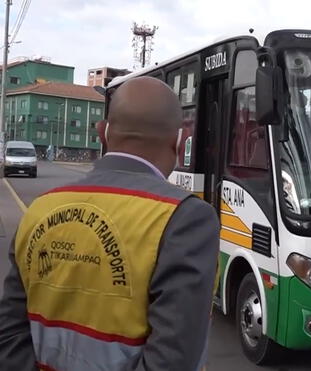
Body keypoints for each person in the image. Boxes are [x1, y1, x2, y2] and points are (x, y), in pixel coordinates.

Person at [0, 76, 220, 371]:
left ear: (102, 134)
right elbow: (172, 360)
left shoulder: (41, 208)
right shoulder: (185, 218)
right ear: (180, 142)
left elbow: (10, 334)